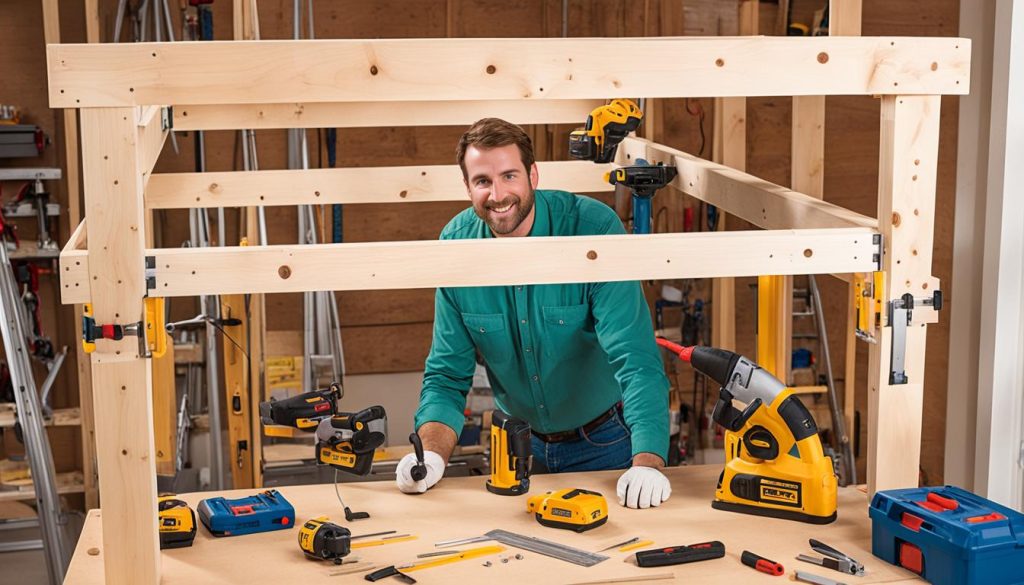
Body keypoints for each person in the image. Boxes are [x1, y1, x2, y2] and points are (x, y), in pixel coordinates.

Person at [394, 118, 671, 509]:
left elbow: (637, 360)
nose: (498, 193)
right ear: (468, 187)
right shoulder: (455, 247)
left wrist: (648, 463)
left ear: (533, 174)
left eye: (509, 175)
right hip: (515, 447)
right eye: (483, 181)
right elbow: (446, 376)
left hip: (604, 443)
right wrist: (431, 457)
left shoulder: (592, 231)